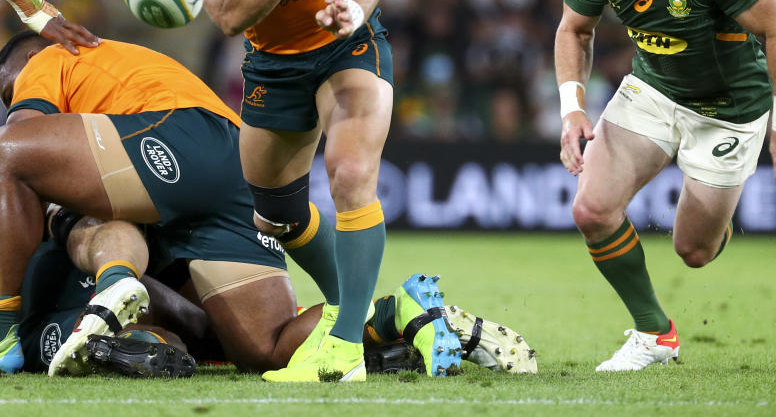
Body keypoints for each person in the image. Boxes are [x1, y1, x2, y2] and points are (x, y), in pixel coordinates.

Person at [0, 33, 448, 378]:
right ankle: (397, 313)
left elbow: (18, 140)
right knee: (264, 349)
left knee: (7, 153)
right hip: (235, 167)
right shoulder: (117, 68)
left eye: (8, 93)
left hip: (179, 139)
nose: (11, 103)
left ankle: (1, 333)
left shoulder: (48, 60)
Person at [182, 0, 423, 382]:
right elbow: (227, 13)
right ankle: (356, 309)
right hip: (273, 68)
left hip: (347, 46)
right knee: (275, 217)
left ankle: (342, 350)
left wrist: (353, 8)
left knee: (348, 172)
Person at [554, 0, 776, 372]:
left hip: (729, 112)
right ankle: (655, 334)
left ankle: (714, 217)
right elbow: (574, 30)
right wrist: (572, 111)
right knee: (591, 210)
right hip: (652, 93)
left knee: (692, 252)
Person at [18, 210, 537, 377]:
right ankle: (395, 328)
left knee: (258, 347)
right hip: (213, 217)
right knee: (206, 342)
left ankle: (390, 316)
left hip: (204, 222)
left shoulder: (37, 154)